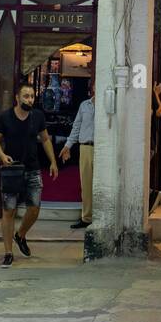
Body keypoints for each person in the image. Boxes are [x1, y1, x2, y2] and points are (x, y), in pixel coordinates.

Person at [0, 84, 58, 266]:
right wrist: (2, 156)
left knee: (34, 208)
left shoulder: (37, 117)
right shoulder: (5, 117)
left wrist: (53, 161)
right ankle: (7, 252)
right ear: (17, 98)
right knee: (8, 210)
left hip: (33, 168)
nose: (29, 99)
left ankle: (20, 235)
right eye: (26, 96)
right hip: (12, 170)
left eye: (32, 96)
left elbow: (45, 139)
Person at [60, 86, 95, 229]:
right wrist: (68, 145)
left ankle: (101, 216)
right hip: (85, 147)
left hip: (103, 148)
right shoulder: (84, 105)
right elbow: (77, 126)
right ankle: (87, 218)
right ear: (93, 88)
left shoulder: (109, 103)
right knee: (86, 184)